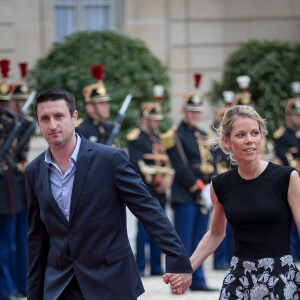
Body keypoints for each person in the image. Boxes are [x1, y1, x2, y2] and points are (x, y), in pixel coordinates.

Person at [25, 88, 193, 300]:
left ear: (74, 117)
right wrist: (34, 293)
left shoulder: (110, 160)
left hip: (110, 281)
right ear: (38, 123)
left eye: (59, 116)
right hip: (61, 286)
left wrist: (177, 257)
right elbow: (36, 239)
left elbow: (148, 210)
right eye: (45, 118)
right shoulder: (33, 171)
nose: (52, 125)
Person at [166, 104, 300, 299]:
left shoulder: (287, 178)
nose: (249, 140)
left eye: (255, 133)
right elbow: (215, 234)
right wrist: (186, 268)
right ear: (226, 141)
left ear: (262, 136)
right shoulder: (221, 184)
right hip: (239, 281)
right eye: (241, 135)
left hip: (280, 279)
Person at [161, 73, 217, 292]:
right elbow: (180, 167)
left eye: (197, 112)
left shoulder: (203, 134)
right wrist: (201, 188)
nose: (194, 116)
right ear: (183, 111)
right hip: (186, 194)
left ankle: (199, 280)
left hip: (203, 194)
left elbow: (209, 162)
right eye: (191, 112)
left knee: (201, 241)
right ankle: (177, 283)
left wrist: (211, 186)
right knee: (183, 243)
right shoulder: (173, 135)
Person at [127, 91, 172, 277]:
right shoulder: (136, 138)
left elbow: (168, 164)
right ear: (144, 119)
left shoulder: (160, 138)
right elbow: (138, 164)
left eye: (158, 119)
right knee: (144, 230)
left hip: (160, 192)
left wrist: (166, 182)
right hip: (145, 191)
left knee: (159, 229)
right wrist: (157, 180)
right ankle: (140, 267)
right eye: (154, 119)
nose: (157, 123)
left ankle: (156, 267)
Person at [273, 81, 300, 262]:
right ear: (287, 116)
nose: (298, 118)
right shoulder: (281, 136)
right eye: (295, 115)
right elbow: (286, 161)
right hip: (290, 182)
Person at [211, 91, 235, 271]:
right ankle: (219, 260)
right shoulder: (213, 145)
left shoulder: (232, 141)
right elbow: (213, 165)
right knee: (219, 226)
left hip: (235, 184)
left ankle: (229, 258)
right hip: (222, 184)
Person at [76, 64, 114, 145]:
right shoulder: (80, 130)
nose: (107, 106)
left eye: (106, 102)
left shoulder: (108, 127)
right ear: (89, 107)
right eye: (101, 103)